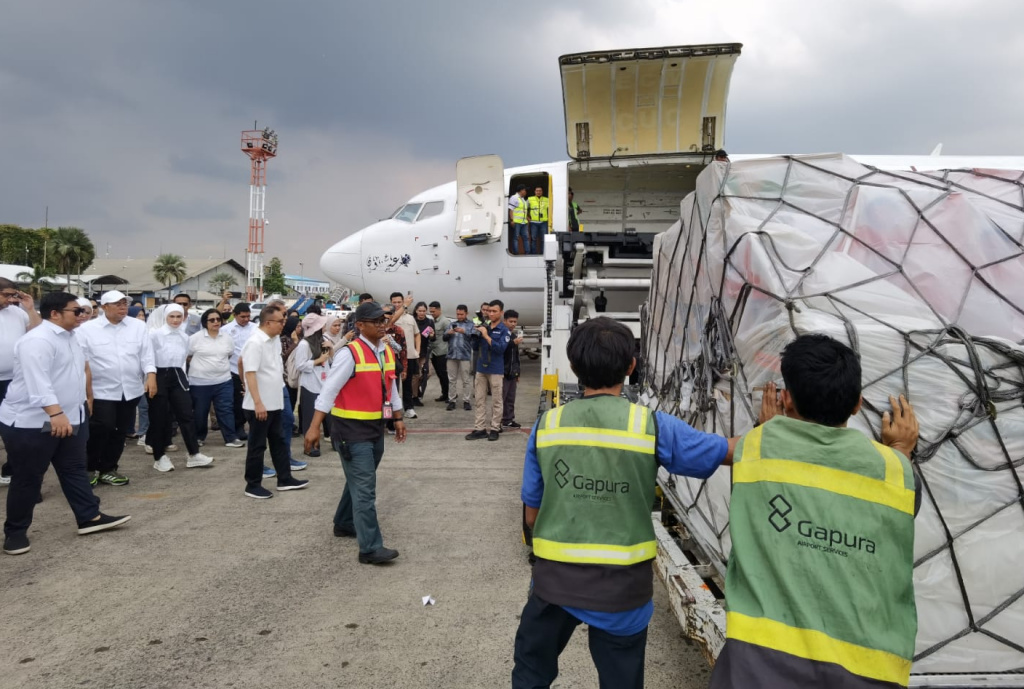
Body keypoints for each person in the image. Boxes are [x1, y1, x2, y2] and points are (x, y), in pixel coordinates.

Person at [512, 317, 738, 688]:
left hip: (554, 585)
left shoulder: (548, 425)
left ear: (573, 365)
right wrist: (780, 426)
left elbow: (532, 512)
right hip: (622, 590)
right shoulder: (652, 425)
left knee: (531, 671)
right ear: (632, 366)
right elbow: (724, 452)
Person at [709, 334, 920, 689]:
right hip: (868, 673)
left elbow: (757, 458)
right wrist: (899, 447)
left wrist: (768, 425)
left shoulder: (757, 448)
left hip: (758, 667)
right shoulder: (896, 472)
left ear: (786, 400)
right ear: (857, 404)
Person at [0, 292, 131, 555]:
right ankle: (15, 533)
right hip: (33, 422)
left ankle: (89, 517)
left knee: (74, 469)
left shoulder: (72, 337)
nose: (84, 315)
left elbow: (77, 372)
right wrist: (55, 413)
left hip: (71, 417)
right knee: (28, 477)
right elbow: (39, 381)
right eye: (77, 311)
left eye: (84, 311)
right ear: (55, 313)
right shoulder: (36, 341)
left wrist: (84, 402)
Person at [304, 301, 405, 565]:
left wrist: (398, 416)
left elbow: (390, 385)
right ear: (360, 325)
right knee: (365, 488)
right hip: (350, 431)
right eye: (377, 322)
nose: (383, 326)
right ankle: (370, 548)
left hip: (375, 428)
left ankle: (344, 522)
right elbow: (328, 392)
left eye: (384, 321)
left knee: (358, 480)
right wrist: (314, 427)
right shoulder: (350, 353)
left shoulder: (384, 351)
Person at [78, 290, 157, 487]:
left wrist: (151, 376)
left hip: (130, 389)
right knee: (101, 427)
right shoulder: (87, 329)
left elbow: (147, 354)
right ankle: (89, 468)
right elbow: (82, 362)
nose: (123, 306)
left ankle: (108, 468)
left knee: (120, 430)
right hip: (101, 390)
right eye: (117, 303)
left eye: (125, 303)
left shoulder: (138, 326)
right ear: (104, 307)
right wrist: (85, 392)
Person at [239, 304, 309, 499]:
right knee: (257, 445)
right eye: (280, 321)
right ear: (268, 322)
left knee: (279, 441)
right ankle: (252, 484)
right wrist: (258, 402)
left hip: (275, 400)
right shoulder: (256, 342)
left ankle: (284, 478)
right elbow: (249, 372)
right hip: (259, 404)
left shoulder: (274, 339)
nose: (283, 325)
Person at [146, 305, 214, 472]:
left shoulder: (184, 336)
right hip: (158, 374)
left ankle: (194, 454)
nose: (176, 320)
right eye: (172, 316)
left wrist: (184, 379)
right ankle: (159, 456)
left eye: (179, 316)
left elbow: (183, 359)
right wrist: (150, 379)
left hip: (178, 375)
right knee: (160, 418)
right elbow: (147, 357)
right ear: (165, 317)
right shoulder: (154, 335)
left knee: (186, 415)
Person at [0, 278, 42, 484]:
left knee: (16, 431)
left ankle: (13, 470)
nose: (10, 299)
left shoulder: (18, 313)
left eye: (13, 295)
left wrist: (31, 309)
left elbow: (39, 333)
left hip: (14, 380)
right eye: (6, 295)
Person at [188, 309, 244, 448]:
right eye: (212, 320)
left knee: (226, 409)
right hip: (199, 382)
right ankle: (199, 437)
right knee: (200, 411)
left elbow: (229, 354)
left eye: (218, 319)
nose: (216, 322)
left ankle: (230, 438)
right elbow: (188, 356)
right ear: (205, 322)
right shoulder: (195, 338)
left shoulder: (226, 337)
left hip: (223, 381)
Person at [466, 300, 510, 441]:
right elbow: (475, 347)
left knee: (497, 400)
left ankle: (495, 428)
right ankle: (480, 428)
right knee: (479, 399)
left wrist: (486, 335)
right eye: (489, 311)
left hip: (496, 369)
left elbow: (500, 349)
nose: (490, 314)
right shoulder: (484, 326)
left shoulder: (504, 330)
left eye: (494, 311)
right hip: (481, 367)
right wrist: (476, 333)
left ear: (501, 313)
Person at [293, 312, 333, 457]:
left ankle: (336, 442)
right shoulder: (304, 344)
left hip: (324, 383)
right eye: (321, 325)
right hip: (310, 385)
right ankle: (311, 446)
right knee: (310, 418)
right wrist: (318, 360)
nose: (324, 327)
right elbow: (300, 365)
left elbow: (329, 361)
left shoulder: (323, 340)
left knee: (330, 416)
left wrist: (331, 348)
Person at [221, 302, 256, 441]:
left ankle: (254, 426)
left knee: (252, 398)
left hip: (252, 369)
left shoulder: (255, 328)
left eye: (248, 316)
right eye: (243, 317)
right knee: (237, 400)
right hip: (234, 369)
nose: (246, 319)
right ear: (235, 315)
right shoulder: (226, 330)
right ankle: (238, 427)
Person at [389, 292, 420, 419]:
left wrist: (416, 350)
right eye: (394, 302)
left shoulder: (410, 318)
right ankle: (394, 409)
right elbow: (392, 320)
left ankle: (409, 408)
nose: (397, 304)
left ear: (402, 302)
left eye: (399, 302)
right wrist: (405, 307)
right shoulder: (389, 317)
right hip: (394, 356)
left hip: (409, 355)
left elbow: (417, 334)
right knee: (393, 384)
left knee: (407, 383)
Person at [444, 304, 474, 412]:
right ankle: (452, 400)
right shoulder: (452, 324)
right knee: (452, 379)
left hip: (464, 355)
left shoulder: (471, 324)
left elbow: (475, 336)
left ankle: (466, 400)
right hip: (452, 355)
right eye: (458, 314)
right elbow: (444, 337)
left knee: (466, 379)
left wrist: (464, 332)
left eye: (461, 314)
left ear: (466, 313)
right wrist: (449, 333)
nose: (459, 316)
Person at [501, 309, 523, 430]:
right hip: (503, 371)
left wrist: (517, 372)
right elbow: (501, 349)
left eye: (515, 321)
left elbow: (516, 357)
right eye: (511, 321)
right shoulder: (501, 334)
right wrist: (512, 343)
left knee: (510, 398)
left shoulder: (513, 335)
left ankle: (508, 419)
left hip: (512, 372)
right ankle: (497, 421)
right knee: (501, 399)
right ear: (505, 321)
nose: (513, 324)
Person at [411, 301, 433, 406]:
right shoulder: (412, 320)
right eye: (420, 311)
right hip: (413, 350)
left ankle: (415, 389)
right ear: (416, 311)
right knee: (416, 375)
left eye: (424, 311)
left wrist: (432, 335)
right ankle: (414, 396)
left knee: (427, 373)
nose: (422, 313)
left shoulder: (429, 322)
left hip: (424, 351)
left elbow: (433, 338)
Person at [427, 302, 450, 403]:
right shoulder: (431, 322)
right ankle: (444, 394)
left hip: (442, 351)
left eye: (433, 311)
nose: (432, 313)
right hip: (434, 352)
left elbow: (449, 336)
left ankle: (450, 394)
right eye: (430, 311)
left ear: (439, 310)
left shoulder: (445, 322)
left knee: (444, 374)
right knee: (440, 375)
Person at [527, 186, 550, 255]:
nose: (538, 192)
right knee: (533, 239)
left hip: (544, 222)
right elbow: (524, 208)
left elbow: (551, 210)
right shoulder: (530, 199)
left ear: (542, 192)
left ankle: (543, 253)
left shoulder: (547, 199)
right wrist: (527, 217)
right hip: (533, 222)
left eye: (540, 191)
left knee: (543, 239)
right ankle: (534, 253)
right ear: (535, 192)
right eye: (537, 191)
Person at [509, 184, 530, 254]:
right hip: (517, 222)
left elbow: (522, 210)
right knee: (516, 238)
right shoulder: (514, 198)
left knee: (526, 238)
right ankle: (516, 253)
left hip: (524, 222)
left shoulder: (523, 199)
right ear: (521, 190)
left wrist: (527, 218)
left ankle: (527, 252)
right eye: (525, 190)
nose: (526, 191)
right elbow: (511, 210)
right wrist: (512, 220)